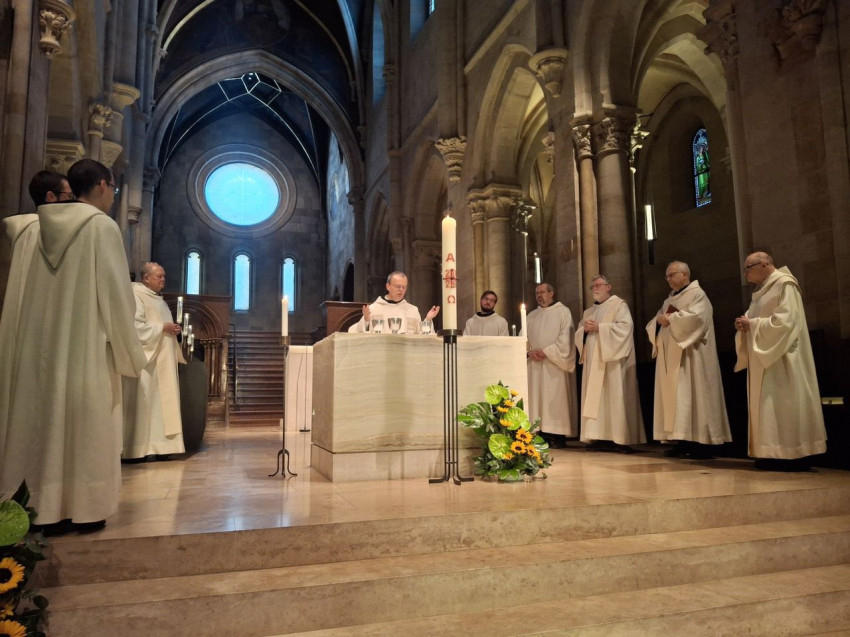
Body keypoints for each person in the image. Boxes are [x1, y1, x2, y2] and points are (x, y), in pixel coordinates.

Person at [0, 158, 147, 534]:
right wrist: (128, 350)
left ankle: (33, 506)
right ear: (102, 185)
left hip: (34, 350)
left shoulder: (31, 230)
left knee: (36, 422)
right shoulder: (101, 226)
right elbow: (117, 296)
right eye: (114, 189)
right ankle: (83, 507)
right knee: (85, 425)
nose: (113, 197)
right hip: (84, 347)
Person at [734, 252, 827, 471]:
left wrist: (752, 324)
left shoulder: (785, 284)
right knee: (769, 407)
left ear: (765, 263)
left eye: (749, 268)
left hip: (784, 357)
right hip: (764, 358)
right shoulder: (762, 291)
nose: (746, 273)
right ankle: (771, 452)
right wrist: (744, 325)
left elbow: (787, 321)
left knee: (786, 404)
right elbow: (754, 318)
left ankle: (795, 454)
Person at [646, 261, 731, 459]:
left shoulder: (697, 295)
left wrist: (671, 319)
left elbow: (698, 318)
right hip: (672, 358)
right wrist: (658, 322)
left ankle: (702, 444)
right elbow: (658, 320)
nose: (667, 279)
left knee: (695, 396)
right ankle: (681, 440)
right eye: (666, 276)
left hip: (693, 357)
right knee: (679, 400)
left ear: (684, 275)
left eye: (671, 275)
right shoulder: (668, 300)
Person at [123, 262, 186, 461]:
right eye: (159, 276)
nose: (163, 280)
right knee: (145, 405)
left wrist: (172, 329)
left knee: (162, 406)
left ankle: (162, 447)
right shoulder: (137, 295)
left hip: (164, 362)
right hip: (148, 362)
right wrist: (162, 328)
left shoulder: (160, 301)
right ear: (146, 278)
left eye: (164, 276)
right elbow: (135, 327)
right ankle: (138, 449)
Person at [576, 275, 644, 452]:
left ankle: (620, 438)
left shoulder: (619, 305)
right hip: (594, 363)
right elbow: (579, 334)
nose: (595, 288)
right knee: (597, 400)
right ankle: (598, 437)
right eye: (592, 286)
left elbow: (625, 328)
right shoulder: (588, 312)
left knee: (614, 397)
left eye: (598, 285)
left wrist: (600, 327)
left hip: (613, 363)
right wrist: (584, 330)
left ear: (609, 286)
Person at [525, 282, 577, 447]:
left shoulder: (563, 312)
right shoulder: (531, 316)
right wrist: (529, 352)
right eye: (537, 293)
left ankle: (557, 436)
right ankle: (539, 433)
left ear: (551, 293)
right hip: (534, 365)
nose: (539, 296)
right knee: (537, 400)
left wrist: (547, 351)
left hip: (554, 365)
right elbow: (523, 338)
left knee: (555, 400)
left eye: (542, 292)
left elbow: (566, 338)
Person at [348, 271, 439, 334]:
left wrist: (428, 319)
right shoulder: (374, 309)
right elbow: (355, 333)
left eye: (404, 287)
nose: (401, 290)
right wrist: (366, 321)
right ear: (388, 286)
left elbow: (421, 336)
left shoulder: (412, 310)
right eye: (398, 286)